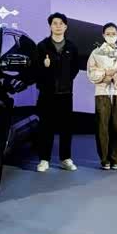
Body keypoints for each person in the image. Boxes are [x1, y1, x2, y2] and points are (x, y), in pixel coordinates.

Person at [35, 13, 80, 173]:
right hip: (47, 94)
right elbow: (35, 69)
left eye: (61, 23)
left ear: (65, 26)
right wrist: (44, 66)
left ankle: (65, 158)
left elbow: (75, 68)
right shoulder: (42, 46)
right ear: (50, 26)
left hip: (65, 93)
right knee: (46, 127)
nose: (58, 26)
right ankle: (44, 159)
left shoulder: (71, 47)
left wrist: (65, 81)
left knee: (66, 127)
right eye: (55, 23)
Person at [87, 23, 117, 170]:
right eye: (108, 33)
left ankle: (116, 158)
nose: (111, 36)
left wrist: (115, 74)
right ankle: (105, 159)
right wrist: (104, 74)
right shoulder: (96, 52)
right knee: (102, 126)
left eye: (113, 33)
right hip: (102, 93)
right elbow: (91, 72)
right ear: (103, 35)